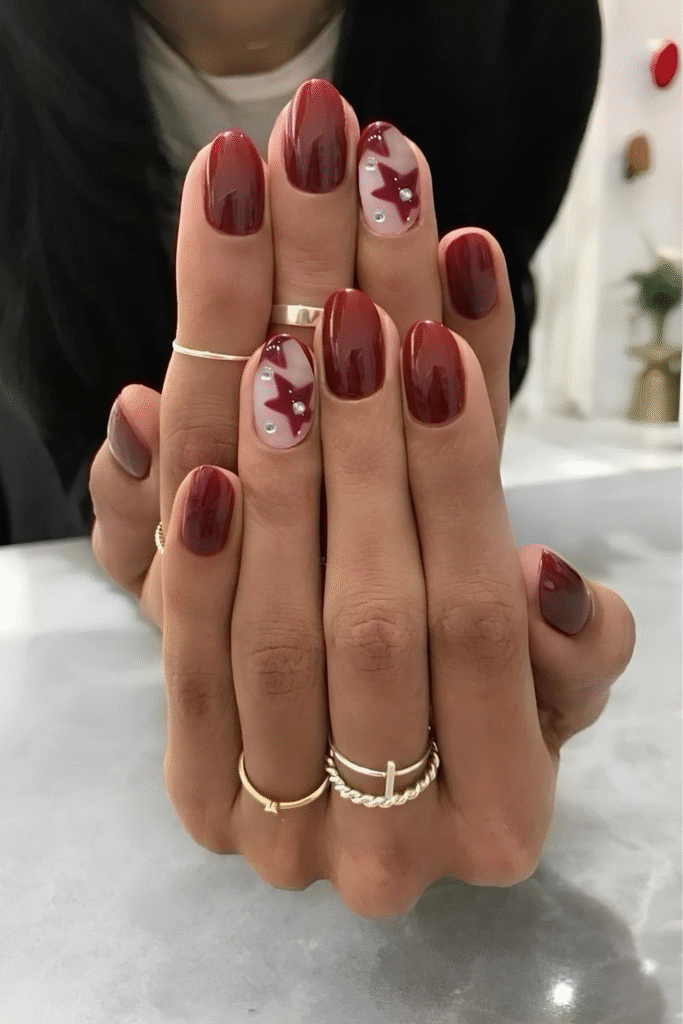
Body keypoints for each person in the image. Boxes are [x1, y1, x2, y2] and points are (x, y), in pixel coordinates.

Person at [0, 0, 637, 918]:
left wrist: (412, 605)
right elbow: (66, 421)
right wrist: (158, 551)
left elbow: (473, 354)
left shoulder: (530, 27)